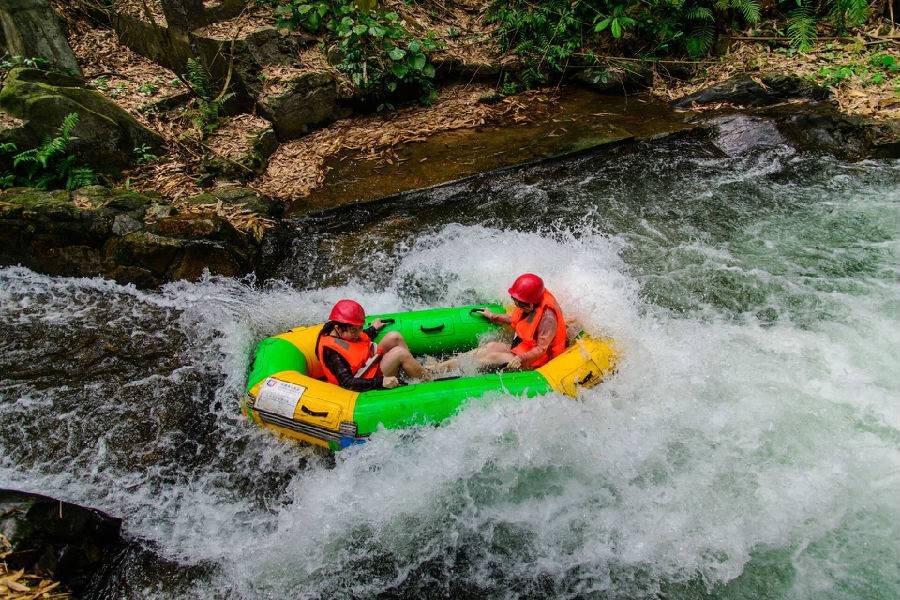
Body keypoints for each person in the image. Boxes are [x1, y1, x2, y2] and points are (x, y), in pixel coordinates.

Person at [442, 274, 567, 371]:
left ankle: (443, 374)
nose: (515, 305)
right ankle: (438, 367)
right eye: (514, 300)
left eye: (518, 303)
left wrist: (520, 358)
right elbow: (517, 319)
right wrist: (493, 316)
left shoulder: (548, 319)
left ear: (530, 304)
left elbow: (541, 349)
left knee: (493, 357)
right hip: (523, 349)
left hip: (539, 359)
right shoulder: (531, 301)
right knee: (492, 346)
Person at [316, 299, 426, 391]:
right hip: (364, 379)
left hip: (369, 363)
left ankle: (414, 370)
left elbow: (358, 338)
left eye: (360, 328)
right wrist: (380, 381)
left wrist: (373, 328)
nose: (359, 333)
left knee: (394, 336)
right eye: (354, 330)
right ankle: (427, 379)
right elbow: (347, 382)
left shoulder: (344, 330)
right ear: (338, 329)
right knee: (399, 353)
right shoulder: (331, 352)